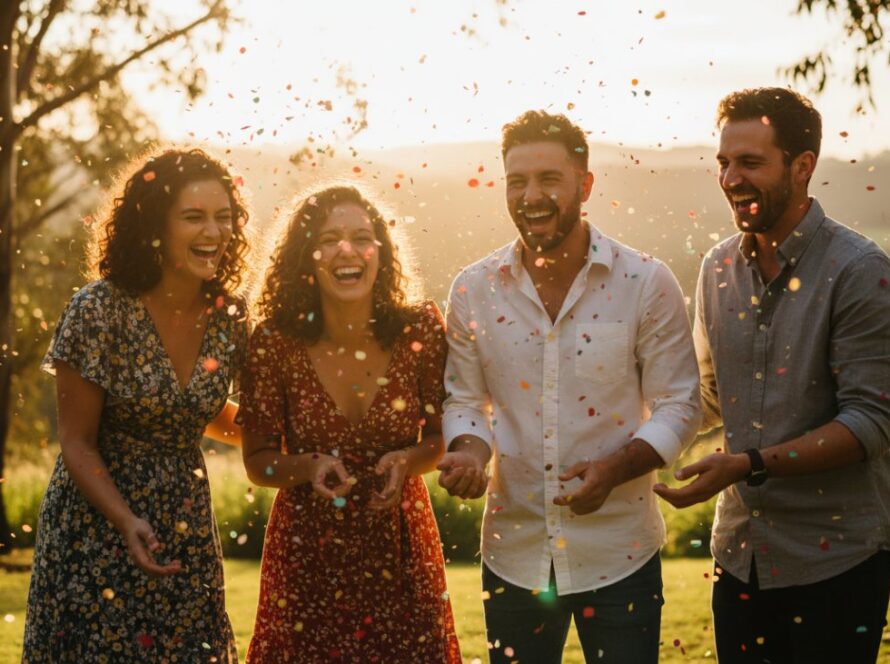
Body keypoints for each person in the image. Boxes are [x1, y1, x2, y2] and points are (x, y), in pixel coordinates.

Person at [437, 109, 702, 663]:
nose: (530, 196)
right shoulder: (473, 289)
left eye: (548, 180)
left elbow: (679, 405)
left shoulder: (645, 282)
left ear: (584, 185)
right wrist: (468, 452)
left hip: (621, 553)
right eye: (516, 181)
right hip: (513, 552)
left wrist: (614, 469)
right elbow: (465, 401)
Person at [654, 87, 890, 663]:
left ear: (803, 166)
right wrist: (623, 440)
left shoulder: (860, 272)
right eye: (724, 163)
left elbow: (871, 424)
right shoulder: (716, 269)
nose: (731, 178)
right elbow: (709, 395)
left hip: (836, 560)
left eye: (751, 163)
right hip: (740, 556)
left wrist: (748, 465)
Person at [22, 148, 251, 662]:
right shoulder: (99, 309)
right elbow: (76, 441)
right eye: (193, 217)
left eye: (223, 217)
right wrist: (126, 520)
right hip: (96, 527)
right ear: (154, 225)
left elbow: (200, 411)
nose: (213, 232)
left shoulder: (230, 316)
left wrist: (297, 437)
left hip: (185, 521)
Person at [239, 185, 461, 663]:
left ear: (380, 254)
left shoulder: (419, 328)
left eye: (362, 237)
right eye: (330, 238)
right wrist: (309, 466)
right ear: (307, 256)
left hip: (400, 546)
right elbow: (258, 463)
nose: (347, 250)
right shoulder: (273, 342)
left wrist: (407, 461)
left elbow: (443, 437)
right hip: (306, 557)